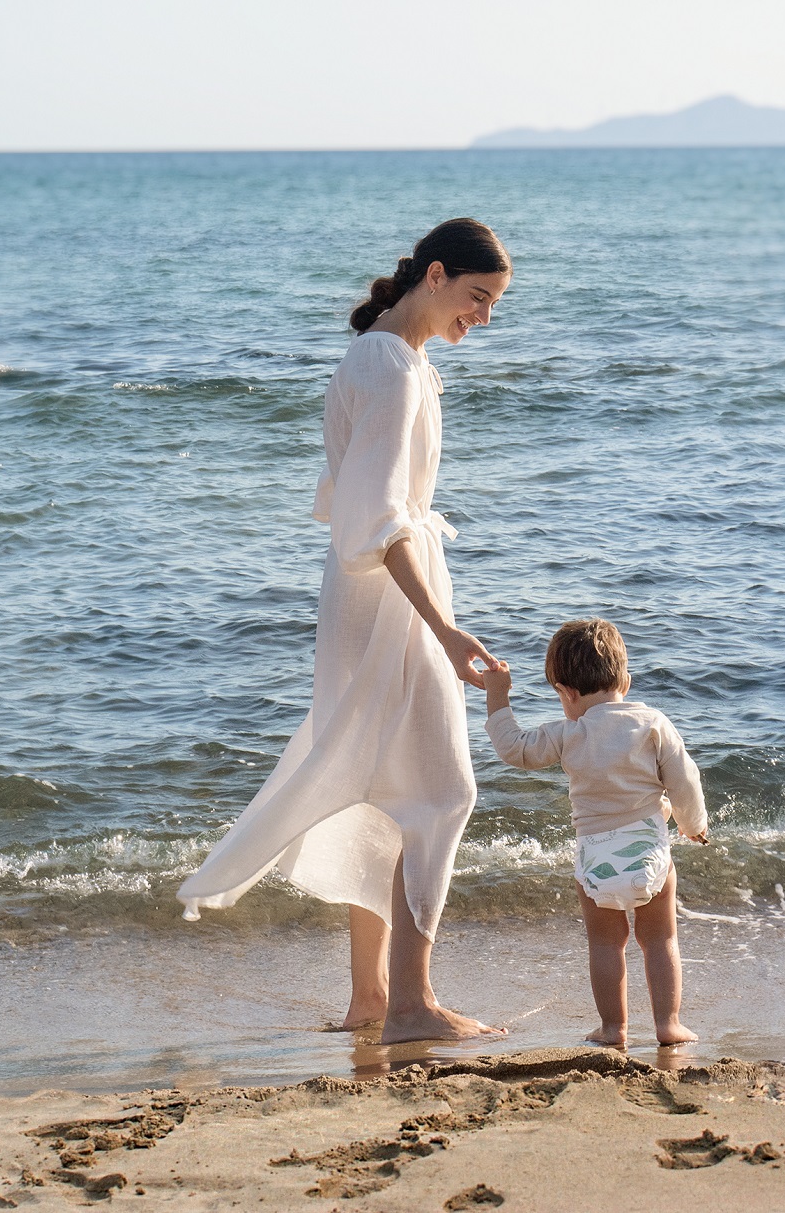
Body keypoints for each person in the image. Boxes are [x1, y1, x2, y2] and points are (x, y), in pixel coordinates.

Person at [176, 218, 512, 1046]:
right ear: (435, 276)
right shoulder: (393, 371)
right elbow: (371, 519)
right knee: (440, 792)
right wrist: (444, 628)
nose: (485, 317)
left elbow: (352, 504)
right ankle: (410, 1004)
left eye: (495, 304)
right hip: (389, 596)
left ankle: (372, 998)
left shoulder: (391, 358)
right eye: (478, 298)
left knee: (382, 785)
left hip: (362, 596)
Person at [480, 618, 708, 1047]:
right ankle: (669, 1025)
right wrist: (692, 825)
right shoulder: (653, 723)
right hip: (648, 851)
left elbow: (515, 749)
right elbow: (685, 781)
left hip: (595, 858)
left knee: (607, 945)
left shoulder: (569, 733)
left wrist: (498, 695)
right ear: (626, 678)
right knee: (660, 939)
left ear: (567, 694)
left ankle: (613, 1029)